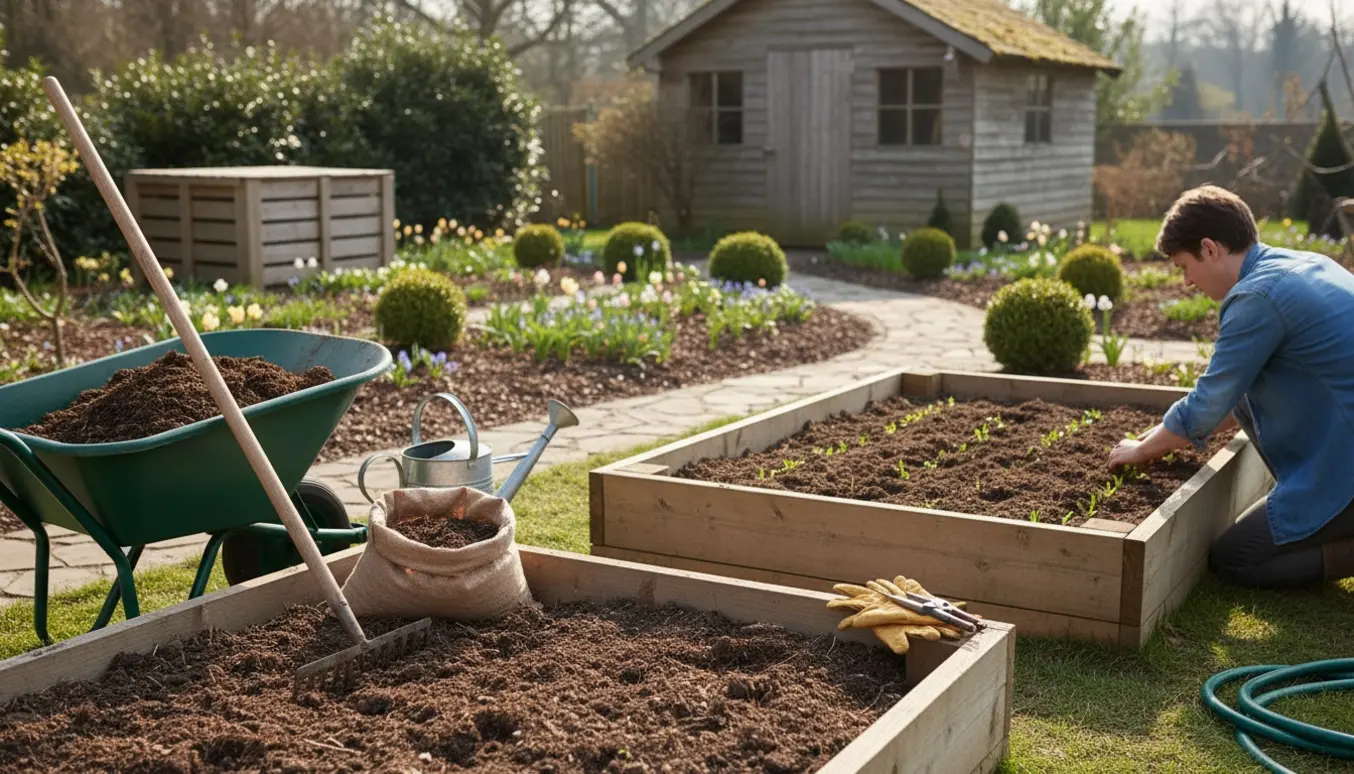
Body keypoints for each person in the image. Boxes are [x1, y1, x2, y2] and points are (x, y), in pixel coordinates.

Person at [1107, 185, 1354, 589]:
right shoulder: (1306, 264)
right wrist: (1161, 439)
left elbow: (1208, 404)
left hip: (1345, 471)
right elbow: (1230, 404)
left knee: (1236, 557)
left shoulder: (1258, 296)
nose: (1186, 281)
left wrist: (1143, 449)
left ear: (1209, 249)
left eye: (1183, 266)